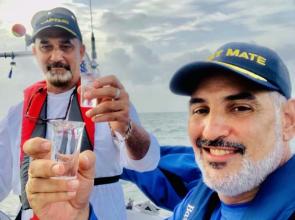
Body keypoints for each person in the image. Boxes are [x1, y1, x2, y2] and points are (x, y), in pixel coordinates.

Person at [25, 41, 295, 220]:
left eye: (240, 108)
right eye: (200, 110)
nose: (211, 130)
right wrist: (77, 216)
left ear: (288, 120)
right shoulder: (202, 199)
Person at [0, 7, 160, 220]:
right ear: (35, 52)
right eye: (46, 46)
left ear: (81, 51)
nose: (56, 56)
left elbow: (146, 163)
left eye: (66, 45)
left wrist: (126, 126)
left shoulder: (108, 102)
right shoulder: (17, 114)